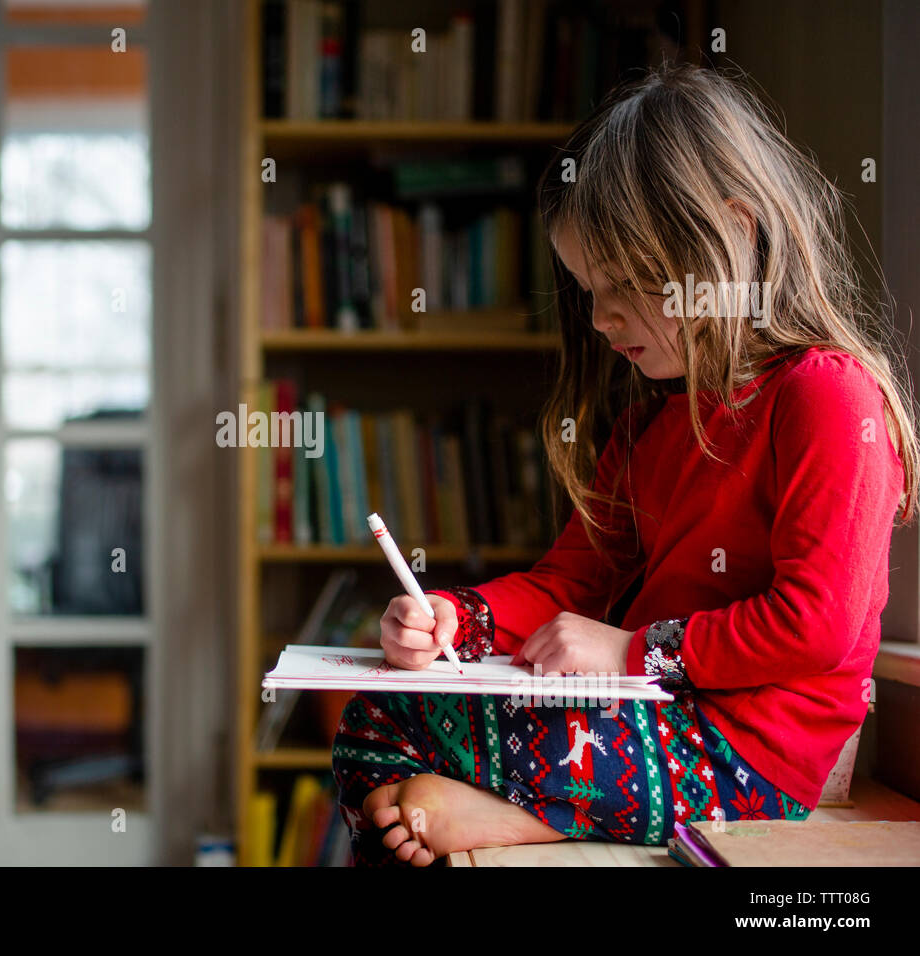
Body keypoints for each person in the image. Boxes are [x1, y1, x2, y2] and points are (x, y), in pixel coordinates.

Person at [332, 64, 917, 867]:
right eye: (586, 291)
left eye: (623, 288)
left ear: (733, 237)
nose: (602, 320)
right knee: (372, 719)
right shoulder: (650, 423)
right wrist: (452, 618)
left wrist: (631, 653)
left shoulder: (826, 396)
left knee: (402, 781)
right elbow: (568, 582)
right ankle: (522, 813)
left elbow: (814, 625)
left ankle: (519, 818)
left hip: (745, 757)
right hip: (640, 711)